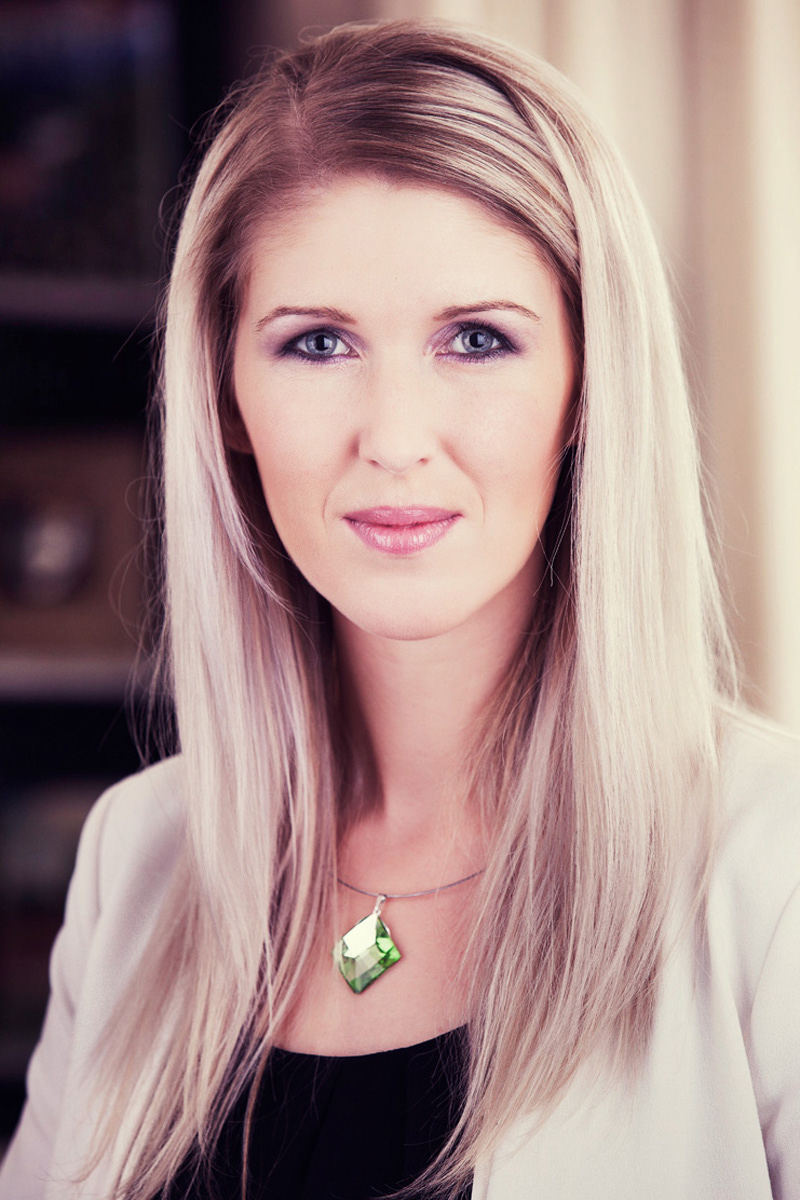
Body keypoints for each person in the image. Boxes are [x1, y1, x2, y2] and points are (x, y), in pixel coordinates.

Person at [2, 18, 799, 1200]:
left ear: (589, 382)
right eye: (317, 343)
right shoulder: (141, 857)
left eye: (475, 340)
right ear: (224, 394)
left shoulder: (769, 863)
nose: (392, 439)